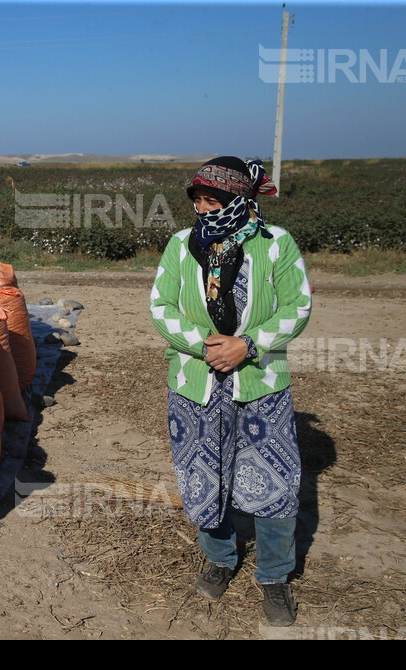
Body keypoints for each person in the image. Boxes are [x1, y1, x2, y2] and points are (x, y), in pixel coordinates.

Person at [149, 156, 312, 627]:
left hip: (259, 383)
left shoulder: (275, 242)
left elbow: (297, 304)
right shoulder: (182, 245)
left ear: (239, 199)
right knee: (204, 474)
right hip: (195, 384)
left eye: (212, 200)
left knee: (274, 478)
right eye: (197, 200)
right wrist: (204, 346)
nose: (203, 209)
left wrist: (248, 345)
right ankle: (221, 559)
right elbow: (160, 305)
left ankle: (276, 576)